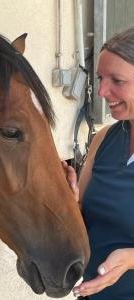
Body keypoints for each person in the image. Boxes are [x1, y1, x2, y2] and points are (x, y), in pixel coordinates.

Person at [63, 26, 134, 300]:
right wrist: (66, 197)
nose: (102, 91)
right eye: (101, 78)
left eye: (117, 80)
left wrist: (130, 259)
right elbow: (81, 216)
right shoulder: (105, 139)